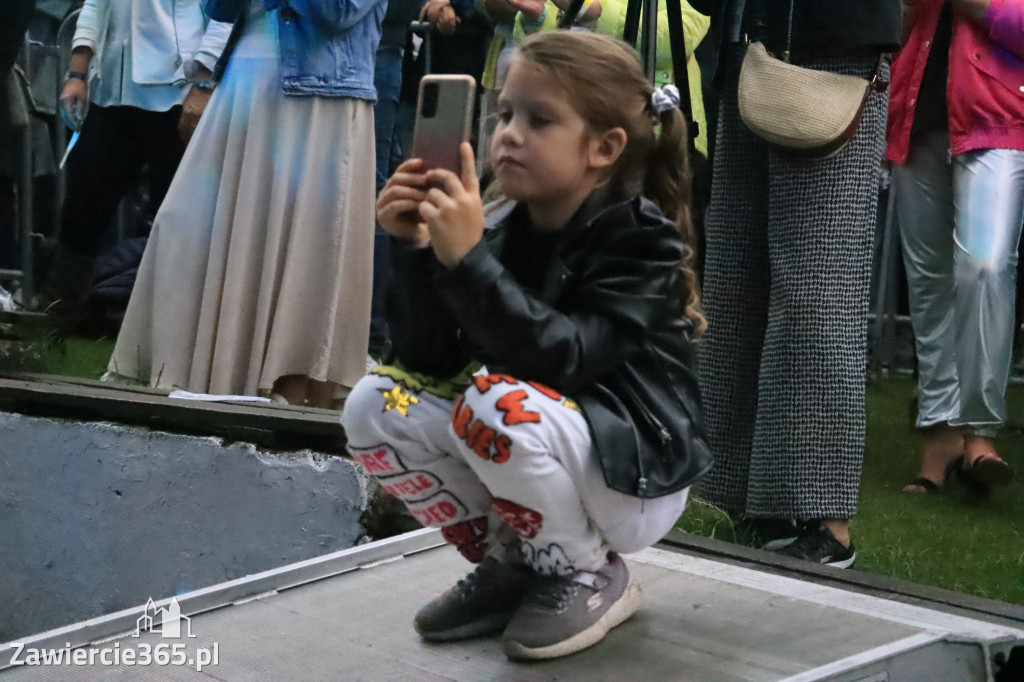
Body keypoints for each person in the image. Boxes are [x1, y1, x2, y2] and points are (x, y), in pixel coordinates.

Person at [340, 30, 711, 660]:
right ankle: (514, 559)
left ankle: (589, 572)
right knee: (377, 403)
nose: (508, 133)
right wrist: (418, 250)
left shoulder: (638, 239)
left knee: (494, 403)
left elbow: (565, 360)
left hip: (632, 476)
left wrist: (466, 264)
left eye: (539, 120)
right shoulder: (501, 223)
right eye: (503, 113)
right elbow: (430, 362)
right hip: (540, 437)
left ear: (604, 149)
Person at [697, 0, 902, 566]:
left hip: (835, 47)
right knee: (737, 283)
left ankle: (822, 518)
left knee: (818, 284)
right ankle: (757, 503)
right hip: (747, 38)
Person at [106, 0, 385, 407]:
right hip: (244, 82)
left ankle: (284, 389)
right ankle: (208, 380)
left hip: (320, 96)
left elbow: (339, 12)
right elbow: (215, 7)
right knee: (184, 225)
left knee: (301, 254)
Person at [888, 0, 1022, 494]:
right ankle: (939, 438)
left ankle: (979, 430)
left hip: (999, 115)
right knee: (928, 286)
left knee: (983, 267)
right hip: (916, 112)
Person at [44, 0, 231, 330]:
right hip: (110, 89)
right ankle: (56, 323)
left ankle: (177, 332)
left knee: (179, 221)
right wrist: (77, 72)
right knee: (80, 212)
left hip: (178, 90)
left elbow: (226, 13)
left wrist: (204, 82)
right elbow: (94, 5)